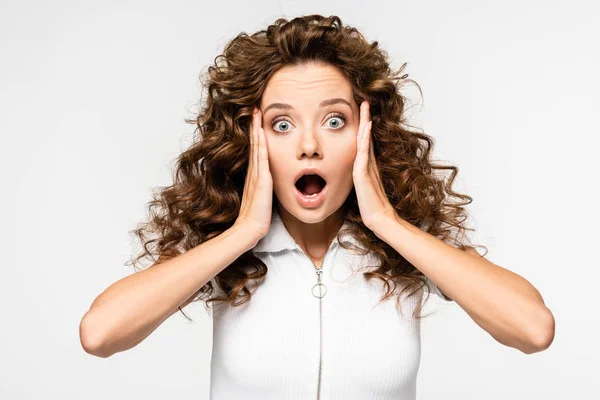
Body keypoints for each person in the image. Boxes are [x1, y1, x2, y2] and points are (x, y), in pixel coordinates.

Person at [79, 14, 555, 399]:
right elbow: (99, 335)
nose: (309, 145)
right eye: (282, 125)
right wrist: (244, 232)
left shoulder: (406, 244)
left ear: (367, 135)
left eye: (334, 120)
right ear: (252, 138)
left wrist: (387, 223)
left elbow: (533, 330)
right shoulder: (225, 246)